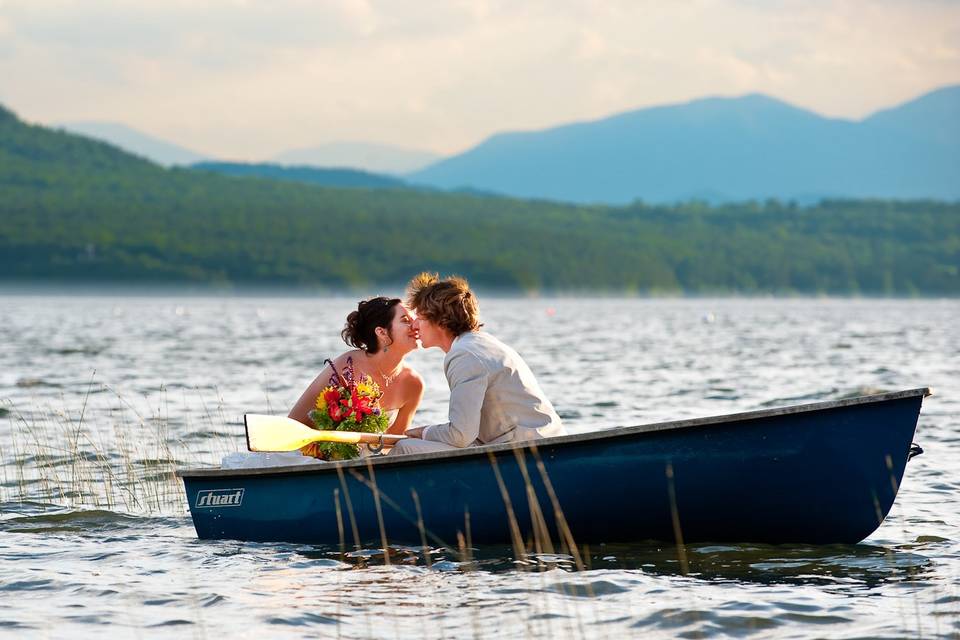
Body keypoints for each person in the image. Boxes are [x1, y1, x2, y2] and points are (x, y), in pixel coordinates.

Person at [390, 273, 565, 456]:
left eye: (420, 318)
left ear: (441, 320)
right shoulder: (481, 343)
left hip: (526, 451)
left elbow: (461, 435)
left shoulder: (464, 355)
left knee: (404, 448)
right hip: (540, 443)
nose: (415, 325)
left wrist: (423, 432)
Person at [289, 297, 424, 456]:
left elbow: (394, 445)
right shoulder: (346, 366)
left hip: (368, 464)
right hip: (312, 456)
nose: (416, 325)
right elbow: (294, 422)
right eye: (406, 320)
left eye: (414, 319)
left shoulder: (414, 384)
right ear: (382, 332)